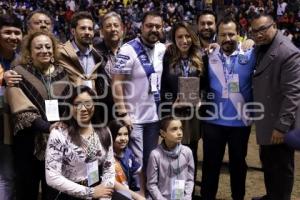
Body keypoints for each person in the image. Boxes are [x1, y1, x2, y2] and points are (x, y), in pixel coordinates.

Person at [5, 31, 69, 200]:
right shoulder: (18, 73)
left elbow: (70, 105)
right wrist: (48, 126)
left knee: (54, 190)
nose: (44, 50)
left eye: (48, 47)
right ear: (29, 51)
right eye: (38, 47)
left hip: (58, 143)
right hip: (28, 144)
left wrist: (64, 123)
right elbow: (22, 112)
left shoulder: (63, 73)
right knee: (27, 190)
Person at [200, 17, 256, 200]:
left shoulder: (250, 53)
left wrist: (253, 40)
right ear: (218, 36)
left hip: (240, 123)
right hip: (212, 122)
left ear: (238, 35)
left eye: (231, 34)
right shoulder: (209, 55)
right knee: (210, 166)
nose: (227, 38)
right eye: (223, 34)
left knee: (238, 166)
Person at [250, 14, 300, 200]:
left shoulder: (288, 52)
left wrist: (281, 126)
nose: (258, 34)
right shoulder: (262, 46)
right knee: (269, 164)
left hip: (278, 124)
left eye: (263, 29)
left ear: (275, 26)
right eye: (254, 31)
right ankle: (272, 195)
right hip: (267, 119)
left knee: (281, 166)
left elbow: (293, 94)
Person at [111, 11, 166, 176]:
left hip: (154, 118)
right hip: (135, 119)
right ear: (141, 27)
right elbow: (116, 82)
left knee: (151, 161)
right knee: (137, 164)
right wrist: (123, 113)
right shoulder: (128, 49)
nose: (153, 29)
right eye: (149, 26)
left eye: (158, 26)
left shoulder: (163, 49)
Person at [45, 85, 115, 200]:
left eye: (88, 103)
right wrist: (90, 193)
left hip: (98, 190)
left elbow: (109, 169)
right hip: (69, 195)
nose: (83, 109)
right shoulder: (59, 134)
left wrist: (104, 195)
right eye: (77, 104)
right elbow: (52, 177)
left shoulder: (104, 131)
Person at [160, 21, 203, 188]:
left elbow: (206, 85)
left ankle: (188, 192)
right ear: (174, 39)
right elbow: (162, 85)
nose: (184, 40)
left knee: (190, 153)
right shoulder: (167, 57)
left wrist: (201, 99)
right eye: (180, 37)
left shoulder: (200, 57)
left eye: (187, 36)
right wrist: (170, 103)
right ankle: (171, 191)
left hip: (193, 115)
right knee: (172, 152)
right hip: (174, 114)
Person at [59, 11, 113, 123]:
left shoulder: (97, 55)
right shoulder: (60, 53)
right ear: (73, 31)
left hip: (93, 111)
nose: (87, 32)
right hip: (70, 113)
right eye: (83, 28)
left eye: (90, 29)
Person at [0, 13, 23, 200]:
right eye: (7, 32)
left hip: (10, 126)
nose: (13, 37)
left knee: (8, 175)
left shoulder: (23, 61)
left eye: (17, 32)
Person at [146, 115, 194, 200]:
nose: (179, 132)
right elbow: (151, 184)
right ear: (163, 133)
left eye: (181, 128)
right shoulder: (155, 155)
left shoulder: (187, 152)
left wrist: (186, 197)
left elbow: (190, 180)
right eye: (174, 129)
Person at [108, 119, 145, 200]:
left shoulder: (129, 154)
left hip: (128, 193)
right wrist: (138, 197)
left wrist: (141, 195)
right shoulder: (106, 155)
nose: (123, 138)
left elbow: (138, 173)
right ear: (111, 135)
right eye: (119, 134)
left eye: (126, 134)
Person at [94, 11, 124, 80]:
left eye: (116, 25)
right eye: (108, 26)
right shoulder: (94, 54)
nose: (113, 29)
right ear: (101, 32)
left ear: (122, 30)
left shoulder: (131, 51)